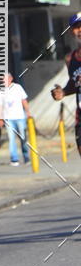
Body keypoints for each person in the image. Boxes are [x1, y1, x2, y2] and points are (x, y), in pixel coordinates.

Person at [51, 12, 81, 157]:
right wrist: (63, 92)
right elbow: (74, 84)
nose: (80, 30)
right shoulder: (70, 58)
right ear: (72, 31)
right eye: (76, 27)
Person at [3, 73, 31, 165]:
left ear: (11, 79)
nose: (4, 81)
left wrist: (28, 112)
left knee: (23, 138)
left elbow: (24, 100)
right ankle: (14, 159)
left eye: (5, 79)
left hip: (19, 117)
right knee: (11, 139)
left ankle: (26, 157)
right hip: (8, 119)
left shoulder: (18, 87)